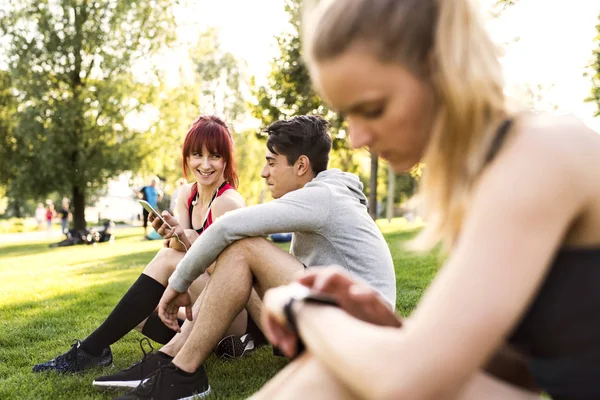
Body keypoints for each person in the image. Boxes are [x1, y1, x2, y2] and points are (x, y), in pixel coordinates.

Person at [253, 0, 600, 399]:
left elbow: (406, 382)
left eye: (373, 109)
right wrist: (396, 337)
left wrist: (303, 306)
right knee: (339, 372)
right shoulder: (490, 175)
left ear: (441, 71)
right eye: (349, 116)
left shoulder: (538, 157)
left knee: (341, 377)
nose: (358, 138)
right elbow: (511, 372)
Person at [109, 115, 396, 399]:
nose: (263, 172)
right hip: (332, 329)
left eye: (271, 162)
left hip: (356, 339)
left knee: (243, 246)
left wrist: (178, 284)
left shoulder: (324, 197)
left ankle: (182, 373)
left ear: (301, 166)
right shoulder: (317, 197)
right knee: (243, 249)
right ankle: (173, 360)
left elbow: (227, 228)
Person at [33, 115, 252, 380]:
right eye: (197, 155)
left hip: (232, 312)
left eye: (214, 156)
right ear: (187, 157)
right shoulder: (186, 195)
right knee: (136, 314)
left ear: (226, 160)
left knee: (166, 258)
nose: (204, 165)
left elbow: (232, 272)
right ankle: (205, 346)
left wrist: (186, 237)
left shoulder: (227, 203)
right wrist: (172, 232)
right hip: (198, 303)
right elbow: (178, 247)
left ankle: (90, 351)